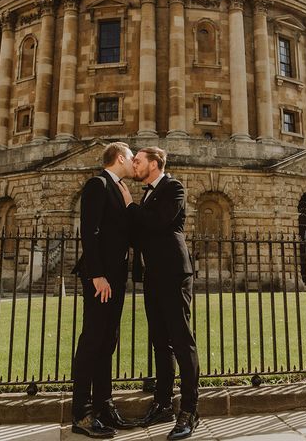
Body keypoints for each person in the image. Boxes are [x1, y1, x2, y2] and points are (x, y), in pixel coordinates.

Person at [118, 146, 200, 441]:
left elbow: (157, 223)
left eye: (138, 161)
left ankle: (189, 410)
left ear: (154, 163)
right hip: (153, 274)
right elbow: (141, 234)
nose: (134, 165)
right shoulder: (148, 194)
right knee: (160, 343)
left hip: (175, 275)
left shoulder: (173, 187)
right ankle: (163, 403)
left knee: (181, 340)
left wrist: (129, 206)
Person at [71, 142, 136, 439]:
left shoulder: (120, 189)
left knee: (108, 339)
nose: (135, 163)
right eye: (132, 158)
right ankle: (82, 414)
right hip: (100, 278)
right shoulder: (97, 184)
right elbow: (90, 230)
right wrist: (96, 274)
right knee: (92, 340)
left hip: (116, 275)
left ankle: (103, 404)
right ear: (120, 158)